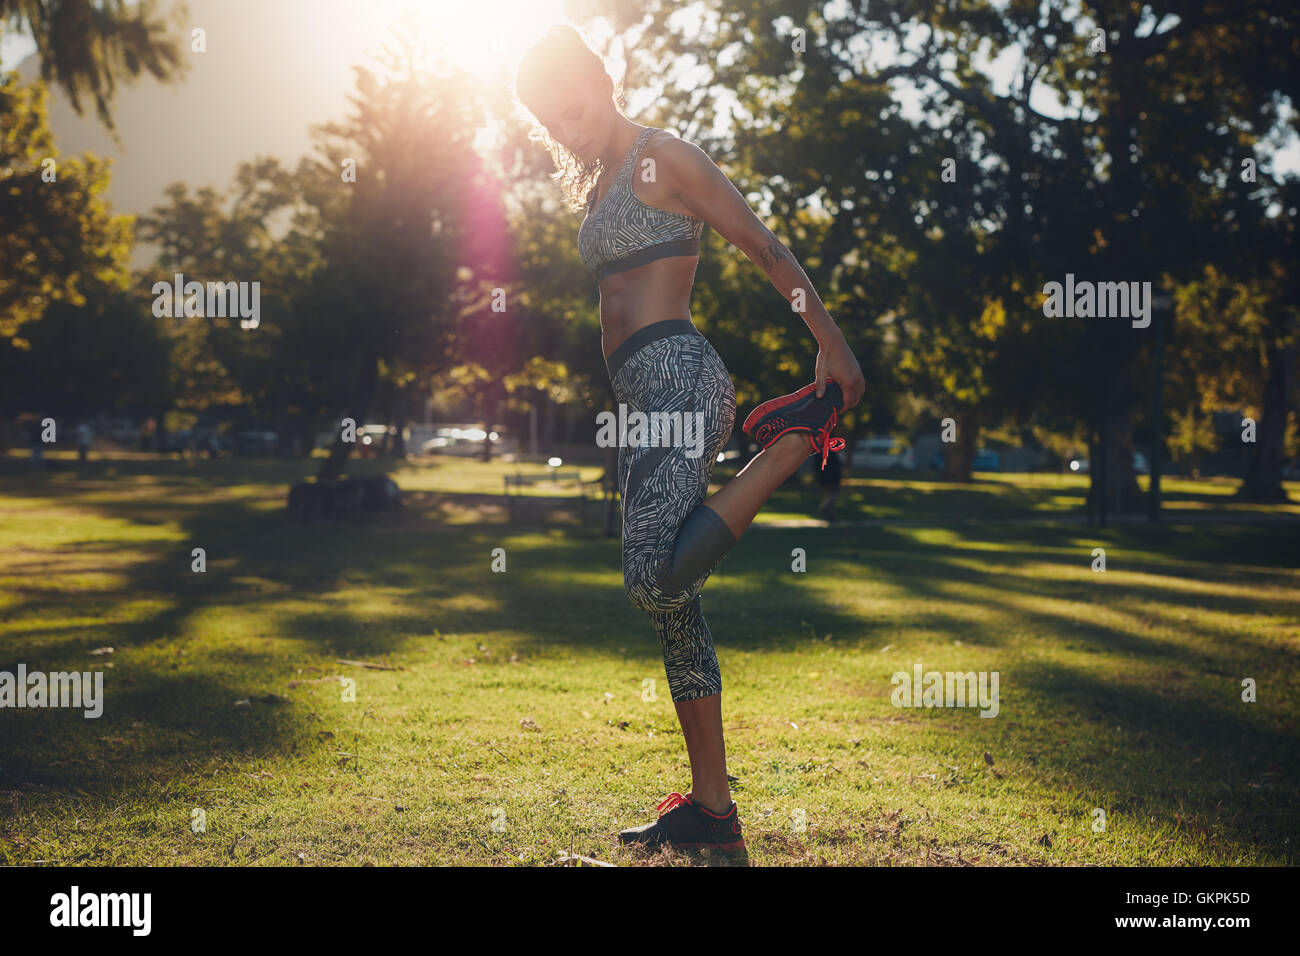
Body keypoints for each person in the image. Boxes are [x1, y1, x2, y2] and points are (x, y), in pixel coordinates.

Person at [515, 25, 865, 854]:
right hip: (643, 401)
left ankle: (787, 447)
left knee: (651, 579)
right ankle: (714, 813)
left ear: (603, 82)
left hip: (682, 379)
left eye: (574, 108)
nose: (568, 129)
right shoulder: (600, 182)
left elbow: (760, 244)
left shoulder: (665, 158)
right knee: (675, 608)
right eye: (551, 123)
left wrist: (831, 341)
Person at [817, 447, 843, 521]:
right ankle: (825, 508)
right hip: (832, 478)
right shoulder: (832, 454)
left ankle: (830, 513)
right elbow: (836, 467)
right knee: (834, 495)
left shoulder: (821, 453)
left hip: (825, 477)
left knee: (830, 495)